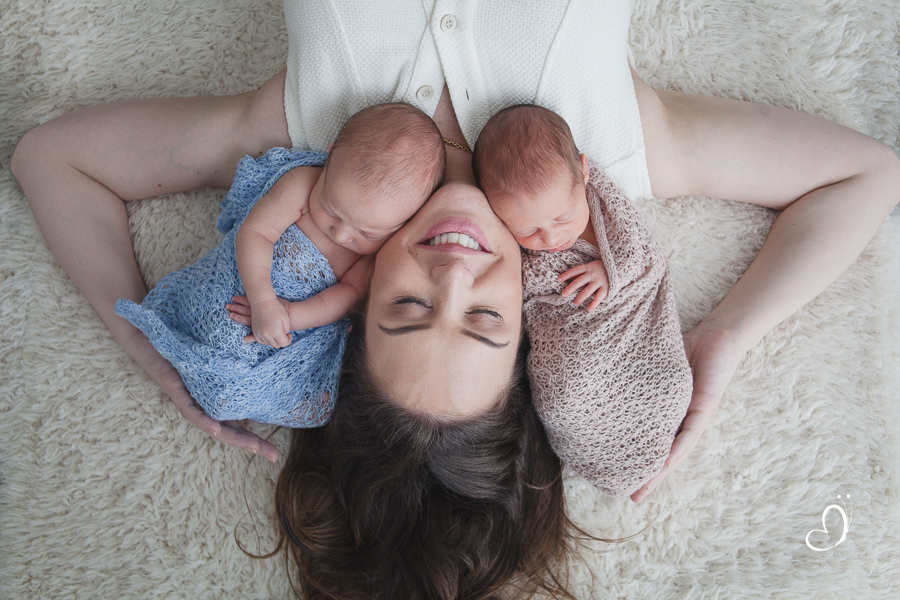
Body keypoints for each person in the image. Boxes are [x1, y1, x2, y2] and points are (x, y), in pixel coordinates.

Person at [11, 0, 900, 596]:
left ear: (358, 309)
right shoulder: (609, 160)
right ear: (527, 327)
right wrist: (722, 342)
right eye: (482, 319)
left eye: (406, 310)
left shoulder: (308, 152)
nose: (451, 273)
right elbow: (866, 174)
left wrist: (147, 345)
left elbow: (50, 159)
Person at [115, 103, 445, 427]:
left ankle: (237, 389)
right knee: (204, 308)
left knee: (285, 382)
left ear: (404, 223)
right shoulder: (303, 184)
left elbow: (349, 295)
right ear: (329, 159)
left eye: (366, 232)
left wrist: (289, 315)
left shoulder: (375, 255)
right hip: (244, 283)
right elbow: (255, 234)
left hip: (293, 319)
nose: (342, 233)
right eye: (331, 210)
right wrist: (263, 301)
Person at [472, 104, 692, 497]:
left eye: (562, 217)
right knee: (563, 398)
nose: (551, 239)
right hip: (573, 338)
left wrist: (612, 272)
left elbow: (646, 255)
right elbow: (521, 292)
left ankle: (649, 444)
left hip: (631, 313)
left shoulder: (606, 203)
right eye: (527, 230)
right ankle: (607, 458)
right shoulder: (525, 247)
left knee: (671, 385)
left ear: (584, 171)